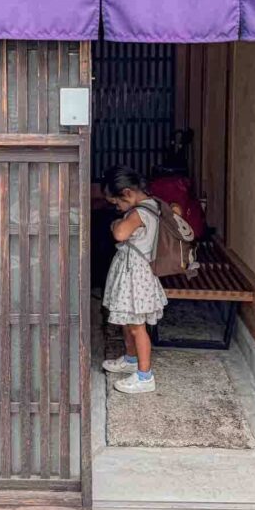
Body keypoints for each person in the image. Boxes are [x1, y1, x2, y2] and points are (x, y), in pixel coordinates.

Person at [99, 165, 168, 394]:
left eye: (117, 203)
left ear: (127, 193)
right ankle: (130, 358)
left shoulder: (140, 212)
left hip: (136, 276)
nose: (117, 208)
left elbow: (120, 233)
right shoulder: (153, 205)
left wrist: (115, 224)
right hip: (133, 273)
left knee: (138, 326)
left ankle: (144, 375)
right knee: (129, 321)